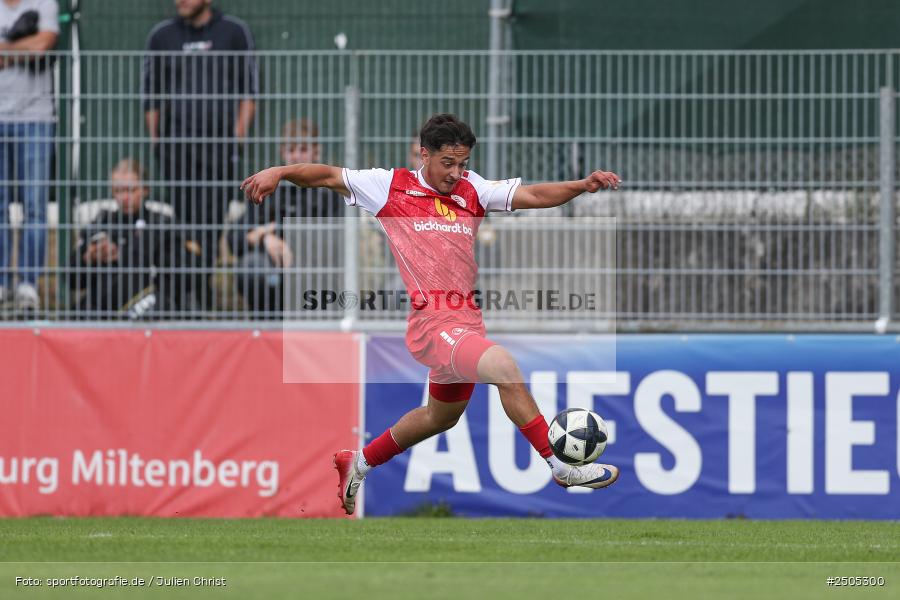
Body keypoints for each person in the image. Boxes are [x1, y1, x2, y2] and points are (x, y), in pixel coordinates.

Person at [241, 113, 622, 515]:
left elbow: (534, 196)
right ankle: (559, 464)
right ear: (424, 154)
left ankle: (359, 461)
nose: (456, 173)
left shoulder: (472, 189)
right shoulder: (389, 187)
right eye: (447, 164)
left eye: (463, 164)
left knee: (439, 418)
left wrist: (582, 186)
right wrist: (279, 171)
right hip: (432, 324)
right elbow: (325, 176)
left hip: (466, 321)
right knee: (504, 366)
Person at [142, 0, 257, 309]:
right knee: (183, 222)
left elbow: (250, 91)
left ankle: (202, 290)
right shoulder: (161, 35)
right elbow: (150, 97)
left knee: (211, 222)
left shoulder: (234, 31)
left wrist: (237, 139)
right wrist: (158, 143)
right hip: (176, 151)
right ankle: (186, 294)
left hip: (220, 152)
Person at [228, 118, 342, 316]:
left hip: (314, 277)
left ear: (316, 151)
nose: (296, 155)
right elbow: (234, 238)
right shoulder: (270, 188)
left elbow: (335, 241)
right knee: (251, 266)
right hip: (275, 274)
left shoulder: (329, 191)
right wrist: (266, 238)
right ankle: (265, 325)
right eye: (291, 150)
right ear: (282, 153)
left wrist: (284, 238)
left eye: (303, 149)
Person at [68, 159, 185, 318]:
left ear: (145, 189)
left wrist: (122, 256)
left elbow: (177, 278)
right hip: (104, 308)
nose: (124, 197)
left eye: (130, 190)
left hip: (149, 309)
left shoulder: (161, 224)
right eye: (118, 191)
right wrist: (89, 258)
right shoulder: (101, 223)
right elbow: (72, 281)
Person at [0, 0, 58, 310]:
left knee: (34, 206)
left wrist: (4, 50)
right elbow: (33, 47)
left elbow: (44, 43)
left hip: (36, 119)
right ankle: (1, 284)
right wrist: (23, 48)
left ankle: (27, 285)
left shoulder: (44, 3)